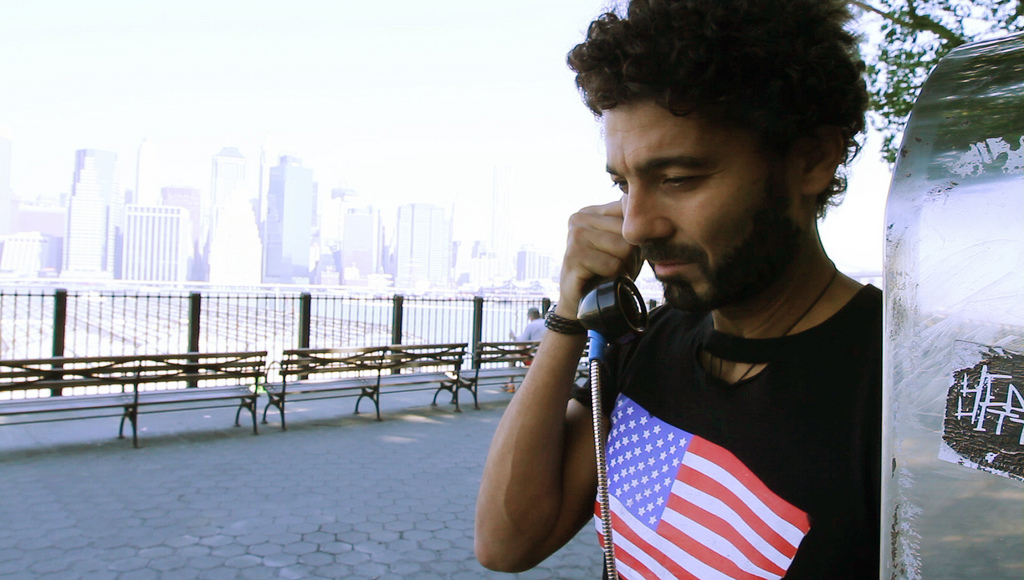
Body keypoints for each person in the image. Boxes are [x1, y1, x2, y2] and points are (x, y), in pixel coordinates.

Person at [475, 1, 880, 578]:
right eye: (623, 183)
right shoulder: (647, 343)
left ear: (811, 160)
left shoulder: (896, 388)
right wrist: (568, 315)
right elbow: (507, 543)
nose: (636, 226)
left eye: (678, 179)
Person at [504, 308, 548, 392]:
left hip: (534, 359)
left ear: (530, 316)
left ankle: (511, 383)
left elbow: (522, 344)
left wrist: (513, 337)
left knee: (511, 355)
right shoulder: (546, 323)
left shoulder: (531, 325)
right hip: (546, 357)